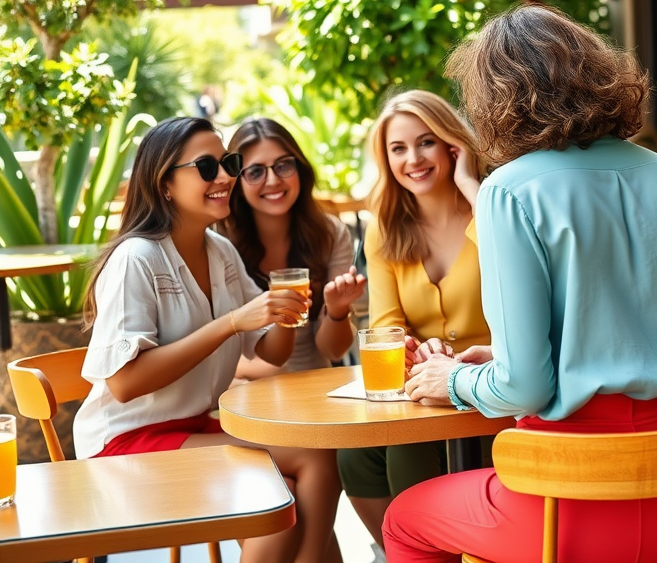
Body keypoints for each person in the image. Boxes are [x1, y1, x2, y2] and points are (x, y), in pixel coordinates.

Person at [384, 5, 657, 563]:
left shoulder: (509, 192)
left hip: (568, 504)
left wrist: (454, 380)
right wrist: (501, 360)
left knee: (403, 520)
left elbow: (524, 389)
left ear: (493, 99)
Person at [73, 117, 343, 563]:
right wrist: (232, 322)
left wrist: (283, 314)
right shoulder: (136, 258)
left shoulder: (221, 252)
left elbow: (271, 354)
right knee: (286, 491)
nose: (225, 178)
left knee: (310, 464)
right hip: (124, 442)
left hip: (191, 428)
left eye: (228, 163)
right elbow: (123, 384)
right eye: (205, 167)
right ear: (164, 184)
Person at [337, 90, 490, 552]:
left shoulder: (491, 207)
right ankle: (398, 548)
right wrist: (420, 348)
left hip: (492, 382)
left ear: (452, 144)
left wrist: (470, 184)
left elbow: (518, 259)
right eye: (397, 149)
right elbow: (387, 325)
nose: (413, 159)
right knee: (355, 455)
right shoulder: (385, 225)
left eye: (426, 142)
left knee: (407, 448)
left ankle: (431, 548)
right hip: (426, 381)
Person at [219, 117, 365, 380]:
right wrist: (272, 370)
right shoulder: (220, 241)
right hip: (244, 389)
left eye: (283, 165)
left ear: (299, 168)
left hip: (314, 387)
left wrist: (337, 310)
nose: (273, 180)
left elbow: (333, 351)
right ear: (236, 182)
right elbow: (215, 349)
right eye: (255, 172)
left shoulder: (330, 233)